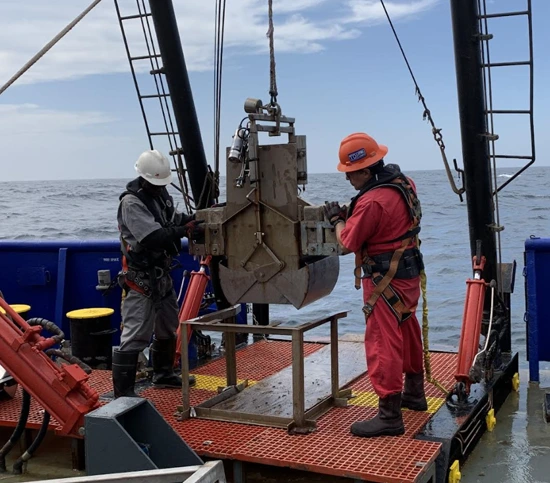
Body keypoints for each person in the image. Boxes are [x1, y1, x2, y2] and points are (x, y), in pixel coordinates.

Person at [324, 132, 427, 438]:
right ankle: (414, 393)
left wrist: (337, 220)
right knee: (407, 329)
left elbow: (347, 242)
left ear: (367, 171)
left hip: (384, 280)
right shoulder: (404, 183)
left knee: (383, 341)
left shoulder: (371, 201)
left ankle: (389, 416)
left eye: (351, 173)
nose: (348, 179)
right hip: (408, 275)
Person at [113, 149, 203, 398]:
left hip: (161, 275)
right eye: (156, 184)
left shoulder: (159, 195)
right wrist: (184, 230)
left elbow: (173, 218)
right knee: (135, 333)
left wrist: (195, 220)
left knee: (168, 324)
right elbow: (152, 237)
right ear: (144, 179)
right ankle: (123, 393)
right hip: (141, 278)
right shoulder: (131, 203)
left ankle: (163, 374)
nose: (159, 187)